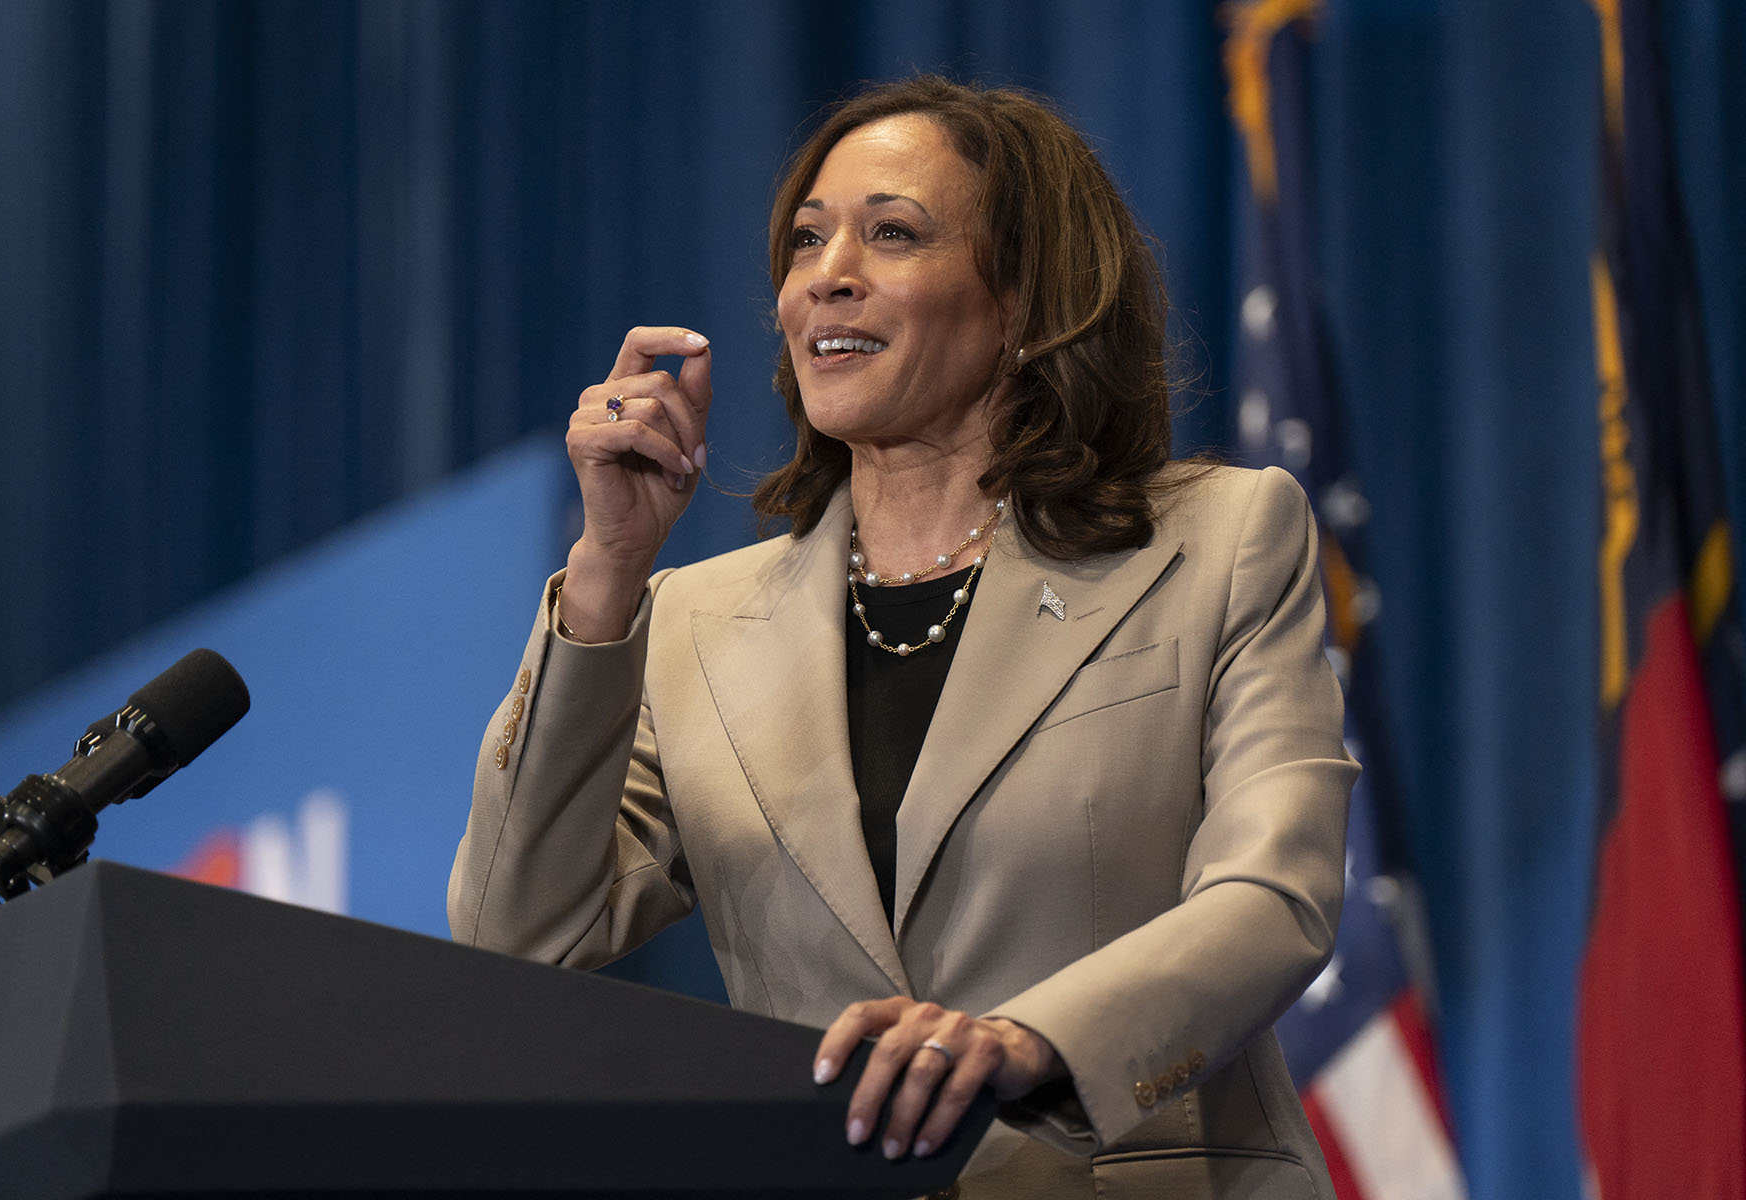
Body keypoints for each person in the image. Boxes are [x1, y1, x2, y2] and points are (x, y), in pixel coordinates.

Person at [449, 76, 1354, 1199]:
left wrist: (1031, 1044)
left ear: (1026, 298)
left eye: (893, 234)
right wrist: (605, 576)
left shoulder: (1218, 540)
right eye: (807, 241)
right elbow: (515, 933)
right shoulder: (690, 625)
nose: (827, 275)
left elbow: (1277, 895)